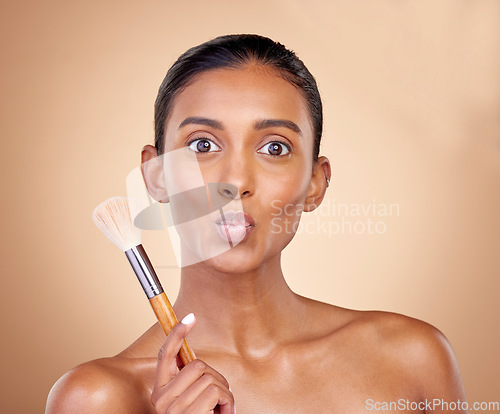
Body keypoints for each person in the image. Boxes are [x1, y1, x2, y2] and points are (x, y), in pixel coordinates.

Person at [46, 34, 467, 413]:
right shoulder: (96, 398)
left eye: (274, 148)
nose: (236, 182)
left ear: (316, 184)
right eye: (203, 145)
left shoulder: (413, 359)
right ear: (156, 177)